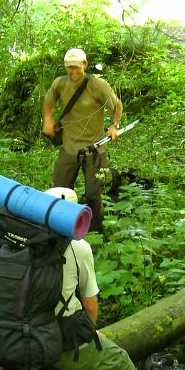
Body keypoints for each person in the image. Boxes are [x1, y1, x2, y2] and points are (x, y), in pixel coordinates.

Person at [46, 186, 178, 370]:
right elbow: (90, 301)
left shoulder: (15, 242)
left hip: (9, 339)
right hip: (54, 342)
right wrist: (89, 331)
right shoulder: (78, 246)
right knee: (116, 359)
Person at [42, 48, 123, 234]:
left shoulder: (98, 86)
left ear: (85, 65)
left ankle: (94, 233)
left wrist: (114, 126)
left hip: (95, 151)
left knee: (94, 195)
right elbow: (49, 100)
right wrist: (48, 117)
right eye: (69, 68)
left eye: (77, 67)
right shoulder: (60, 84)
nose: (73, 72)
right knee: (60, 192)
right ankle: (60, 229)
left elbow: (117, 105)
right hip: (69, 149)